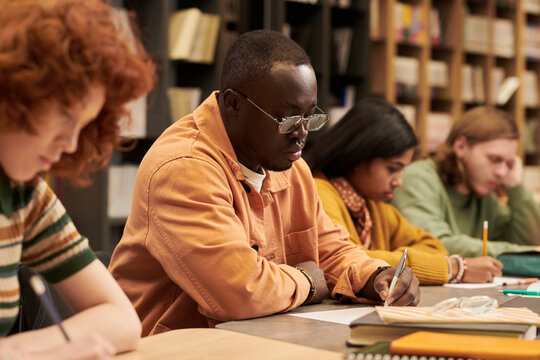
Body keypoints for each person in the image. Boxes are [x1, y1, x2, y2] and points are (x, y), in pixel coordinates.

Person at [109, 30, 420, 337]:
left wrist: (377, 275)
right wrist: (307, 281)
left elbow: (331, 250)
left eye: (310, 117)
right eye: (286, 119)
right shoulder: (183, 169)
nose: (301, 134)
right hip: (172, 349)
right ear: (233, 104)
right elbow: (239, 291)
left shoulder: (289, 164)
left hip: (257, 340)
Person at [0, 0, 155, 358]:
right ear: (14, 90)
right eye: (65, 115)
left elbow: (123, 321)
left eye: (84, 125)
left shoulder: (25, 193)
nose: (71, 143)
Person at [304, 98, 503, 284]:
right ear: (357, 157)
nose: (399, 181)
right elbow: (349, 260)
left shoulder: (374, 207)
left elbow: (434, 247)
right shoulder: (320, 194)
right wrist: (453, 268)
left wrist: (388, 260)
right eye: (392, 169)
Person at [392, 106, 540, 260]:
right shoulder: (418, 178)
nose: (502, 172)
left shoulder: (483, 193)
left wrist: (516, 188)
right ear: (461, 147)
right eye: (494, 159)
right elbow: (433, 244)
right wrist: (523, 251)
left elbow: (530, 244)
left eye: (508, 163)